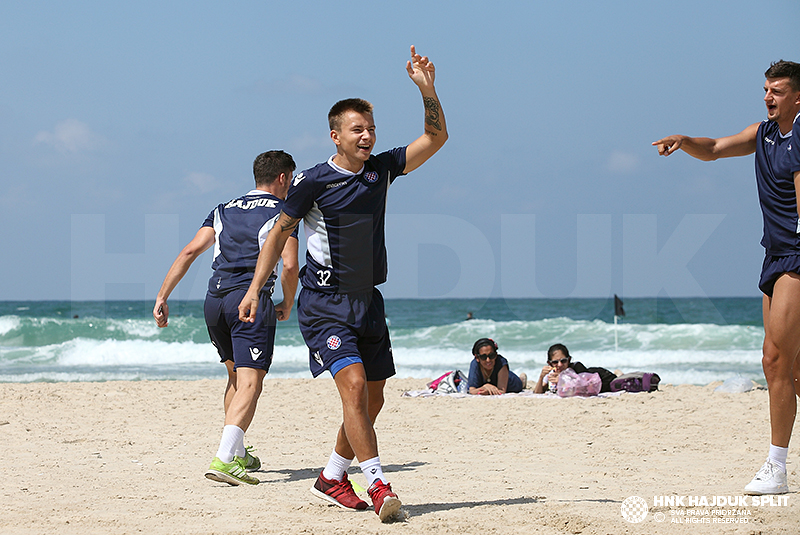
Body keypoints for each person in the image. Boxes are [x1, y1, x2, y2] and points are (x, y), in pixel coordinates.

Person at [238, 46, 447, 521]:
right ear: (336, 135)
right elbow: (276, 235)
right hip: (324, 303)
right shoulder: (312, 181)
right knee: (353, 388)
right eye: (358, 129)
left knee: (373, 398)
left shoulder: (382, 170)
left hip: (368, 301)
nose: (368, 136)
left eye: (371, 128)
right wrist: (256, 289)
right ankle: (377, 484)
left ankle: (332, 475)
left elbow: (436, 137)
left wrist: (426, 89)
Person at [653, 60, 800, 495]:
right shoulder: (765, 133)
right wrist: (685, 141)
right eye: (766, 89)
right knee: (792, 368)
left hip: (796, 255)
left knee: (775, 360)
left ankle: (776, 467)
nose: (768, 97)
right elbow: (716, 147)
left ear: (798, 97)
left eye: (777, 91)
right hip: (774, 256)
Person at [153, 150, 299, 486]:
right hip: (248, 301)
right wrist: (288, 302)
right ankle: (223, 459)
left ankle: (236, 451)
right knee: (251, 381)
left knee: (235, 377)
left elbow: (190, 251)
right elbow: (289, 265)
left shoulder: (223, 209)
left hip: (214, 301)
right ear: (282, 178)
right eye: (290, 179)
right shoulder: (285, 212)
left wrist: (163, 295)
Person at [533, 343, 616, 394]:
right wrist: (541, 377)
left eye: (563, 361)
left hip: (604, 378)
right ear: (549, 363)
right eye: (555, 362)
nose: (560, 364)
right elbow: (537, 392)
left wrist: (562, 380)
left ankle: (618, 373)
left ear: (569, 360)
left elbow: (586, 386)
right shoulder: (552, 374)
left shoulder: (576, 367)